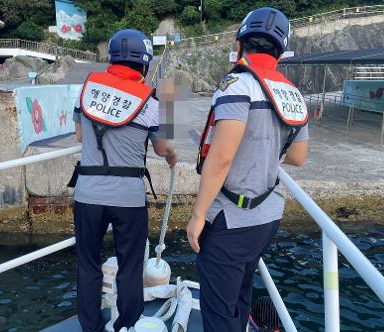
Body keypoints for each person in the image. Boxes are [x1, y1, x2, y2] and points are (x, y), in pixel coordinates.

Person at [187, 8, 309, 332]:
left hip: (230, 220)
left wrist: (198, 215)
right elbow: (298, 156)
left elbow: (221, 157)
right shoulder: (293, 95)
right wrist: (266, 151)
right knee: (241, 294)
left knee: (218, 313)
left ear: (240, 43)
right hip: (267, 217)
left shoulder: (238, 83)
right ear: (280, 52)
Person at [71, 29, 178, 332]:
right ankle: (127, 326)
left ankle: (90, 327)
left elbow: (80, 135)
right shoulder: (152, 101)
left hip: (88, 194)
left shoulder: (88, 89)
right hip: (129, 199)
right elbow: (161, 148)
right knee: (130, 267)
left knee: (88, 266)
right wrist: (172, 156)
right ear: (144, 64)